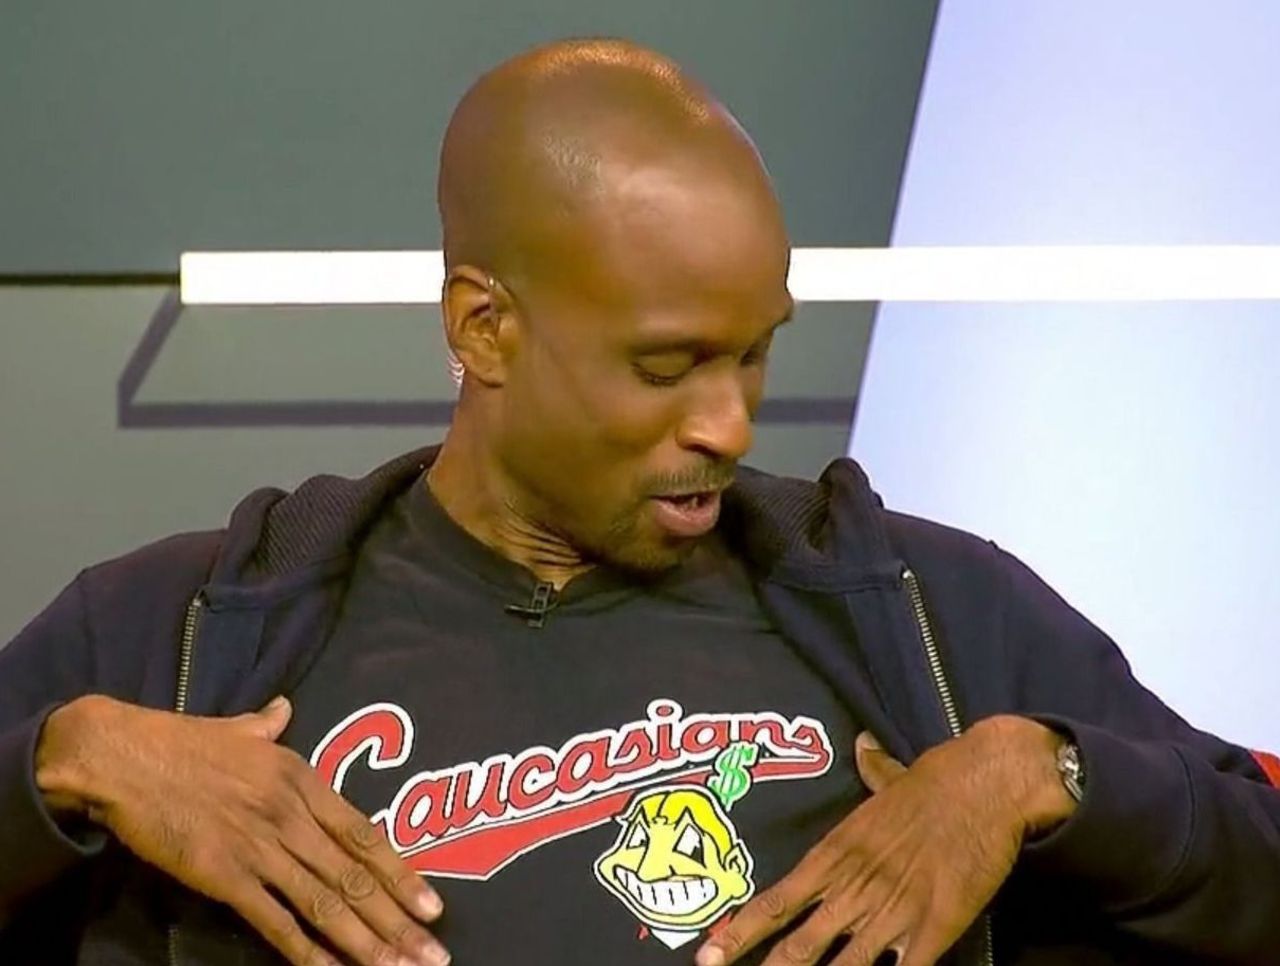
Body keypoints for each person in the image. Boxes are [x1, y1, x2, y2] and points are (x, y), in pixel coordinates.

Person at [1, 37, 1277, 966]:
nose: (729, 424)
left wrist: (1040, 772)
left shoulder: (930, 615)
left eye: (754, 354)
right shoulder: (176, 633)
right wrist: (66, 765)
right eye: (666, 368)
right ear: (483, 328)